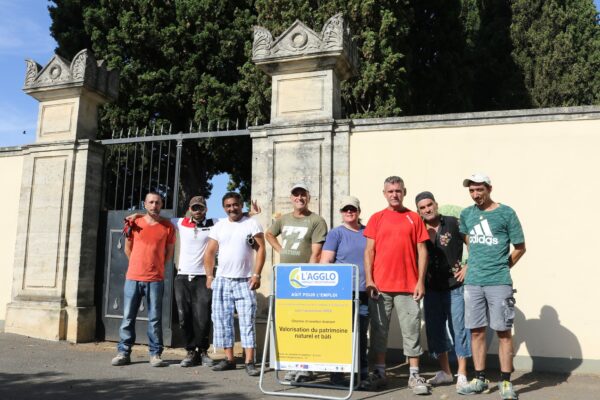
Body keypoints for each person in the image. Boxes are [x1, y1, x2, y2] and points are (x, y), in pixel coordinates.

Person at [125, 196, 260, 368]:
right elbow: (156, 216)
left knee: (203, 318)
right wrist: (137, 215)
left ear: (206, 209)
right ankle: (190, 352)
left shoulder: (215, 222)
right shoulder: (180, 222)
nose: (197, 211)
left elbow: (233, 214)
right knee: (184, 317)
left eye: (201, 208)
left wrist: (250, 212)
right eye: (194, 208)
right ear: (189, 208)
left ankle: (203, 351)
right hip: (182, 277)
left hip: (203, 277)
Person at [457, 173, 526, 400]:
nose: (476, 195)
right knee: (476, 331)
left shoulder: (506, 213)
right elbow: (470, 243)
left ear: (489, 188)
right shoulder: (467, 214)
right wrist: (473, 265)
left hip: (499, 281)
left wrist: (503, 266)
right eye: (472, 191)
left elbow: (520, 247)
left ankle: (506, 382)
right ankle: (479, 378)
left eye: (479, 190)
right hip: (473, 282)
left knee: (503, 332)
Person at [363, 176, 430, 395]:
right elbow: (369, 251)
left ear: (404, 192)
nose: (394, 194)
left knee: (411, 332)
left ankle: (414, 375)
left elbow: (422, 251)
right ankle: (380, 373)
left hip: (409, 286)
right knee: (379, 332)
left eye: (398, 191)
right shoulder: (377, 218)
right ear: (384, 193)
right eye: (390, 191)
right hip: (380, 287)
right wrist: (370, 280)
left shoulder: (414, 218)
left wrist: (420, 281)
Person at [265, 182, 328, 382]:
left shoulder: (317, 221)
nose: (299, 198)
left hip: (305, 279)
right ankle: (293, 364)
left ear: (308, 197)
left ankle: (307, 367)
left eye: (303, 195)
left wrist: (307, 278)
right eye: (296, 195)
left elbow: (316, 253)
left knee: (307, 324)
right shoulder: (283, 219)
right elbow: (268, 234)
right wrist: (280, 249)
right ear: (291, 198)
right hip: (285, 278)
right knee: (290, 324)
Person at [204, 192, 266, 377]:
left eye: (235, 205)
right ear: (224, 208)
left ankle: (249, 361)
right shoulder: (219, 226)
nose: (232, 208)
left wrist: (257, 274)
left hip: (245, 280)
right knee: (222, 321)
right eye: (228, 206)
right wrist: (209, 276)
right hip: (222, 280)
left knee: (247, 321)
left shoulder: (251, 223)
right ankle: (229, 359)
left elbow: (261, 248)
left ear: (241, 204)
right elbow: (209, 252)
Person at [111, 192, 176, 367]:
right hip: (133, 277)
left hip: (156, 279)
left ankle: (155, 355)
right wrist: (138, 264)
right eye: (151, 202)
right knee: (128, 317)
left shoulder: (168, 227)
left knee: (154, 318)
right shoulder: (135, 223)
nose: (154, 205)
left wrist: (156, 266)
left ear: (161, 205)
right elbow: (127, 248)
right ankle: (123, 352)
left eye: (158, 202)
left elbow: (169, 253)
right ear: (145, 204)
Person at [415, 191, 471, 390]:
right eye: (422, 207)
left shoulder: (453, 222)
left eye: (429, 205)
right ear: (418, 211)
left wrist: (468, 266)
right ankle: (446, 372)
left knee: (459, 328)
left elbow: (471, 243)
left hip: (454, 286)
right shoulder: (418, 228)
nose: (427, 209)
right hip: (430, 287)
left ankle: (462, 373)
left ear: (436, 205)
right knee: (435, 330)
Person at [319, 195, 370, 389]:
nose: (349, 212)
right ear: (341, 212)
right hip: (342, 293)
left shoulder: (368, 232)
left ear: (358, 211)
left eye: (353, 209)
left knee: (360, 334)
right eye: (345, 209)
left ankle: (361, 372)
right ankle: (337, 373)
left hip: (364, 291)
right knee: (341, 334)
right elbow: (326, 262)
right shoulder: (336, 233)